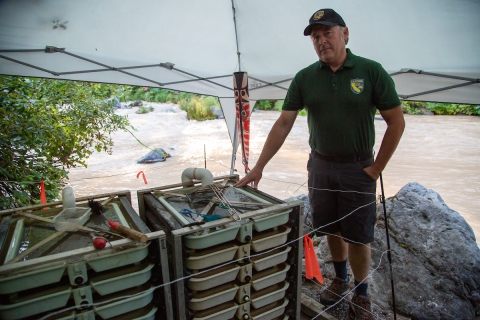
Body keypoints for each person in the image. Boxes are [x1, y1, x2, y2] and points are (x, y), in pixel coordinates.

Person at [234, 8, 405, 320]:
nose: (322, 41)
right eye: (316, 37)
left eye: (327, 33)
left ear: (345, 33)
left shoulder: (370, 71)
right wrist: (259, 167)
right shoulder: (305, 78)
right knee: (331, 228)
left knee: (358, 234)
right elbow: (284, 123)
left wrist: (377, 168)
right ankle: (339, 280)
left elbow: (396, 121)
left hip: (359, 167)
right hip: (321, 166)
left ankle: (361, 293)